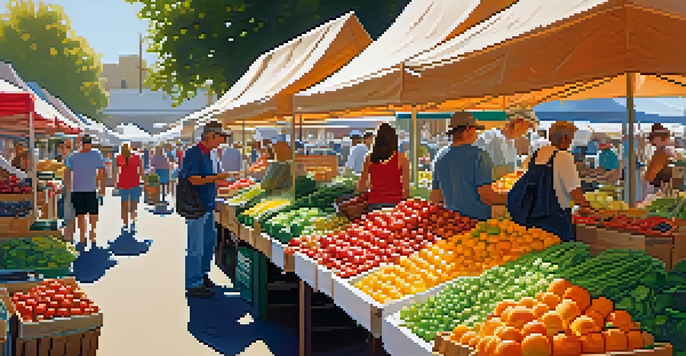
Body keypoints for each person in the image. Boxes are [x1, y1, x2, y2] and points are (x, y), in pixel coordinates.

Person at [179, 121, 232, 298]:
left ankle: (202, 275)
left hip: (207, 205)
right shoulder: (194, 153)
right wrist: (217, 177)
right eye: (220, 137)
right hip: (196, 206)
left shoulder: (210, 154)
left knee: (208, 243)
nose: (222, 141)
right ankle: (193, 282)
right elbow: (193, 179)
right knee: (196, 246)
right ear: (211, 136)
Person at [517, 121, 592, 241]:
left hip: (531, 220)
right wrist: (590, 207)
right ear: (565, 139)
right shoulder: (564, 156)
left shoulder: (533, 156)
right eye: (571, 138)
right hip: (555, 221)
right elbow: (576, 194)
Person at [431, 112, 506, 221]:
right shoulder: (479, 156)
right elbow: (487, 196)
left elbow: (436, 197)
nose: (477, 133)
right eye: (475, 129)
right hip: (476, 223)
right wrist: (512, 198)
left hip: (451, 223)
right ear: (467, 130)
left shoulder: (440, 157)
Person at [357, 123, 409, 211]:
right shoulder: (402, 158)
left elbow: (361, 186)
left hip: (374, 203)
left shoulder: (369, 158)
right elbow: (406, 188)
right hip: (396, 205)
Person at [473, 108, 537, 181]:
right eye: (529, 126)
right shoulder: (489, 139)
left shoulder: (510, 142)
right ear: (518, 124)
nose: (526, 132)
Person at [64, 135, 105, 247]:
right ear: (82, 144)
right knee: (80, 215)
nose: (87, 146)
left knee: (93, 214)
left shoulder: (96, 154)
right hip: (77, 189)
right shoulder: (73, 156)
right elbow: (67, 171)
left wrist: (100, 185)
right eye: (86, 144)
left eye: (89, 143)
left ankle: (92, 232)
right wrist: (68, 186)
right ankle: (83, 236)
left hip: (91, 189)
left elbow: (101, 170)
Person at [116, 143, 145, 230]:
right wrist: (144, 181)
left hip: (123, 183)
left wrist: (115, 183)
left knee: (124, 204)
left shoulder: (119, 157)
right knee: (133, 204)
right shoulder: (137, 157)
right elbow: (141, 171)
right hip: (134, 182)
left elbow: (117, 170)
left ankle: (125, 223)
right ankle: (132, 220)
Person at [646, 124, 673, 192]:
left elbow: (653, 171)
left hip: (656, 187)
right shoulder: (664, 151)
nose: (651, 141)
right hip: (658, 185)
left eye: (653, 138)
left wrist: (645, 180)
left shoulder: (661, 153)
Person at [58, 140, 76, 241]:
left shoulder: (70, 159)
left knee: (69, 217)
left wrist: (69, 192)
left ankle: (68, 239)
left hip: (69, 190)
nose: (60, 150)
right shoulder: (67, 159)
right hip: (69, 189)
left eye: (62, 147)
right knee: (69, 217)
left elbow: (68, 175)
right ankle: (69, 238)